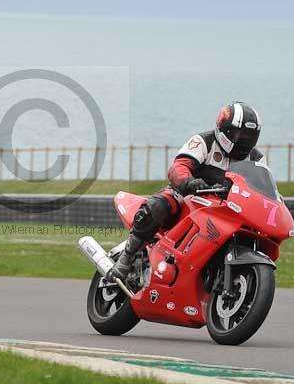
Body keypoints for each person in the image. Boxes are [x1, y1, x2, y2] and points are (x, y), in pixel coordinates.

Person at [108, 101, 267, 282]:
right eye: (241, 135)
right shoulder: (203, 142)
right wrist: (189, 182)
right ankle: (126, 258)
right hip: (190, 196)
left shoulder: (256, 158)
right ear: (226, 130)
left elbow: (262, 186)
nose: (245, 141)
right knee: (158, 206)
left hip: (227, 206)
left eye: (250, 136)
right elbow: (179, 166)